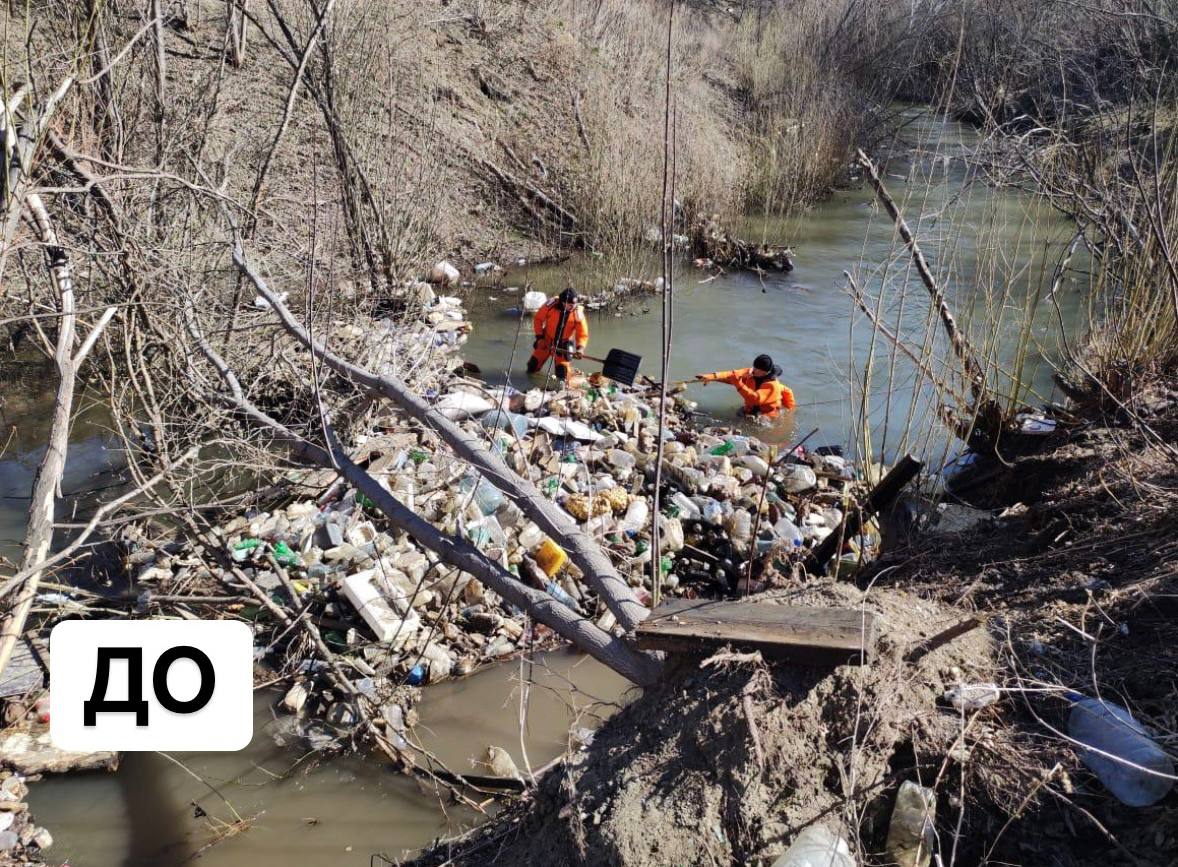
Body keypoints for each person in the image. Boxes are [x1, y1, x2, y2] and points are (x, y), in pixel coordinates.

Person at [696, 354, 796, 418]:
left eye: (756, 369)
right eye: (754, 367)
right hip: (749, 410)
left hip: (766, 417)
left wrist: (738, 383)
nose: (752, 370)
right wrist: (711, 377)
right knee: (737, 416)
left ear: (764, 372)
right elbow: (732, 375)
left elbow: (755, 399)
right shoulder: (752, 373)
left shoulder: (772, 385)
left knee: (760, 426)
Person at [526, 288, 589, 382]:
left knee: (562, 374)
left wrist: (580, 348)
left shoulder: (577, 313)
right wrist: (539, 338)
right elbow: (538, 319)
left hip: (563, 344)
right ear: (563, 302)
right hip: (546, 341)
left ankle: (564, 384)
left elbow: (582, 333)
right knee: (532, 366)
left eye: (574, 304)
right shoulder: (551, 305)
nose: (573, 306)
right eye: (570, 304)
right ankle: (532, 383)